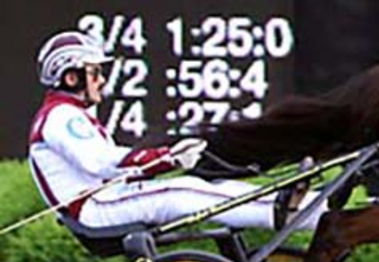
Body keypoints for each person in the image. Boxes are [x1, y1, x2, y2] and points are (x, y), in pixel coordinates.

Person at [27, 30, 323, 231]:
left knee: (205, 187)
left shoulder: (68, 115)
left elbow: (110, 169)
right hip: (96, 210)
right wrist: (166, 158)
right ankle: (285, 213)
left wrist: (163, 161)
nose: (102, 80)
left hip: (105, 201)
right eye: (95, 72)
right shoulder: (62, 117)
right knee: (181, 191)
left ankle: (314, 206)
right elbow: (102, 162)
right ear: (70, 77)